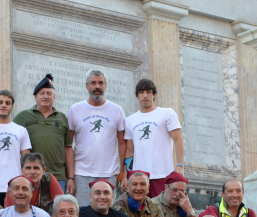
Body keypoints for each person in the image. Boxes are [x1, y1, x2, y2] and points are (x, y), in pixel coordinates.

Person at [67, 69, 126, 204]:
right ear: (86, 86)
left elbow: (122, 143)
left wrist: (123, 172)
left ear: (105, 86)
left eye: (101, 83)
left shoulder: (117, 110)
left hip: (109, 174)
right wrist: (70, 176)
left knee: (106, 214)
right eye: (93, 83)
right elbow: (68, 145)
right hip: (81, 174)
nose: (97, 86)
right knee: (83, 213)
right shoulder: (75, 109)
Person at [123, 78, 185, 197]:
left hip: (162, 175)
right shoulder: (129, 121)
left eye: (149, 92)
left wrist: (180, 165)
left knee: (161, 208)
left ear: (154, 95)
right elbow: (130, 151)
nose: (145, 95)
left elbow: (178, 140)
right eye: (141, 92)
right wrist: (125, 176)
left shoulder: (167, 113)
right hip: (139, 178)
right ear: (137, 96)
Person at [13, 74, 73, 190]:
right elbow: (6, 130)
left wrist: (71, 178)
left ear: (54, 97)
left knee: (58, 203)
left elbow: (68, 148)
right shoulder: (22, 117)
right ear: (35, 97)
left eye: (49, 93)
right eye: (42, 93)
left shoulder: (62, 118)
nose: (46, 96)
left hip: (58, 177)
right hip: (31, 176)